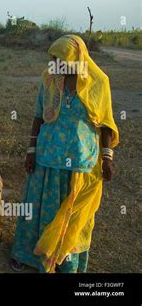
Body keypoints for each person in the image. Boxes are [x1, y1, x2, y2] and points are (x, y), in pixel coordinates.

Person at [10, 35, 119, 273]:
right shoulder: (49, 80)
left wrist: (108, 157)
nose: (54, 63)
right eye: (52, 58)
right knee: (38, 208)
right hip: (47, 158)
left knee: (71, 214)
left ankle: (65, 261)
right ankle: (28, 255)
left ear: (76, 59)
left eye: (60, 59)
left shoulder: (98, 82)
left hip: (80, 162)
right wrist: (31, 151)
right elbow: (39, 115)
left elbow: (106, 125)